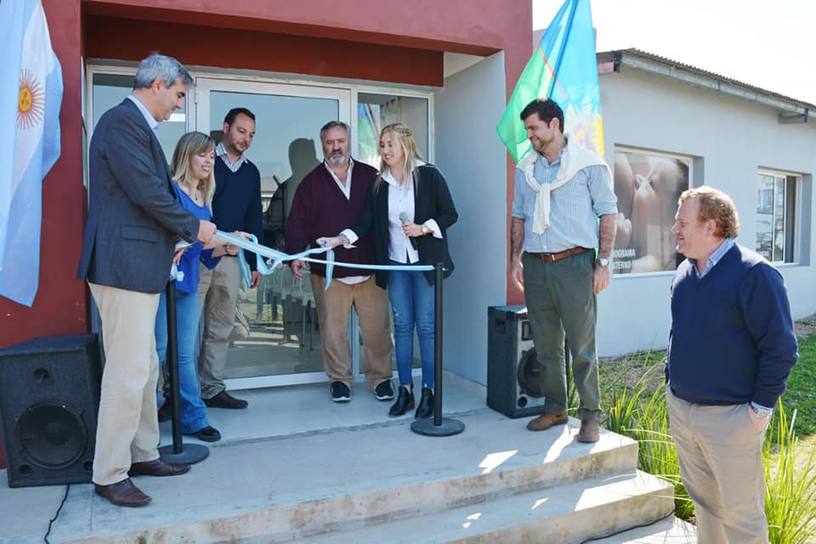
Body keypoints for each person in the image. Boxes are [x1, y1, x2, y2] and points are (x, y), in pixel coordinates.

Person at [76, 54, 217, 507]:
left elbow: (143, 200)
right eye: (178, 95)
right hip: (123, 266)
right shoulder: (122, 124)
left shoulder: (134, 127)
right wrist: (193, 227)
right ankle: (110, 472)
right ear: (157, 83)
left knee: (146, 368)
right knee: (128, 370)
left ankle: (141, 452)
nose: (178, 106)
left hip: (141, 264)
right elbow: (147, 192)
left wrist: (174, 237)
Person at [666, 186, 798, 544]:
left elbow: (781, 348)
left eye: (682, 222)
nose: (674, 229)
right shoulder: (684, 273)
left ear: (710, 226)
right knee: (706, 507)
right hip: (683, 410)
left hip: (731, 420)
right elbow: (680, 332)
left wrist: (759, 411)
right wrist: (671, 385)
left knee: (742, 517)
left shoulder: (755, 274)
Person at [319, 123, 458, 418]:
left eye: (389, 144)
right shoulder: (380, 183)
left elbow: (450, 213)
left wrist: (424, 228)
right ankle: (405, 390)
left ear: (405, 145)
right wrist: (340, 239)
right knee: (403, 329)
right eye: (381, 145)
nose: (384, 150)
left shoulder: (428, 175)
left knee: (427, 328)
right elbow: (366, 222)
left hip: (424, 264)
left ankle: (429, 392)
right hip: (395, 264)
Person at [510, 98, 617, 443]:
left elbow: (608, 213)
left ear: (554, 125)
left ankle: (590, 416)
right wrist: (515, 259)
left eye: (534, 128)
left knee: (582, 346)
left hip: (575, 264)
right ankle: (556, 408)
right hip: (536, 265)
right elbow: (519, 217)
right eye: (528, 129)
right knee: (545, 345)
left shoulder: (589, 166)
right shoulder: (526, 169)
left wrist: (603, 263)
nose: (530, 136)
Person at [286, 121, 394, 403]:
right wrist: (296, 255)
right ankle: (340, 380)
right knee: (333, 332)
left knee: (377, 329)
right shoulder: (310, 183)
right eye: (330, 142)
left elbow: (384, 219)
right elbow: (297, 222)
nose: (336, 147)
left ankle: (380, 379)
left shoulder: (371, 176)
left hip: (370, 268)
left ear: (349, 142)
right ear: (323, 145)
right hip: (330, 272)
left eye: (341, 141)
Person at [155, 132, 240, 442]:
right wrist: (225, 239)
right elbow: (179, 239)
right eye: (202, 155)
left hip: (188, 283)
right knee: (158, 351)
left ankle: (192, 417)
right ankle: (148, 418)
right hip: (162, 283)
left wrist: (227, 248)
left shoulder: (205, 197)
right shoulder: (171, 193)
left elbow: (203, 249)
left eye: (211, 157)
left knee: (183, 355)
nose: (208, 161)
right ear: (186, 156)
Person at [197, 108, 263, 410]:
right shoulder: (207, 161)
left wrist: (253, 262)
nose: (246, 138)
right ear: (226, 127)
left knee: (220, 327)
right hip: (198, 256)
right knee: (187, 328)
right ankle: (177, 393)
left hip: (232, 259)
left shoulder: (252, 172)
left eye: (251, 134)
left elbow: (254, 219)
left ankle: (211, 389)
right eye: (241, 131)